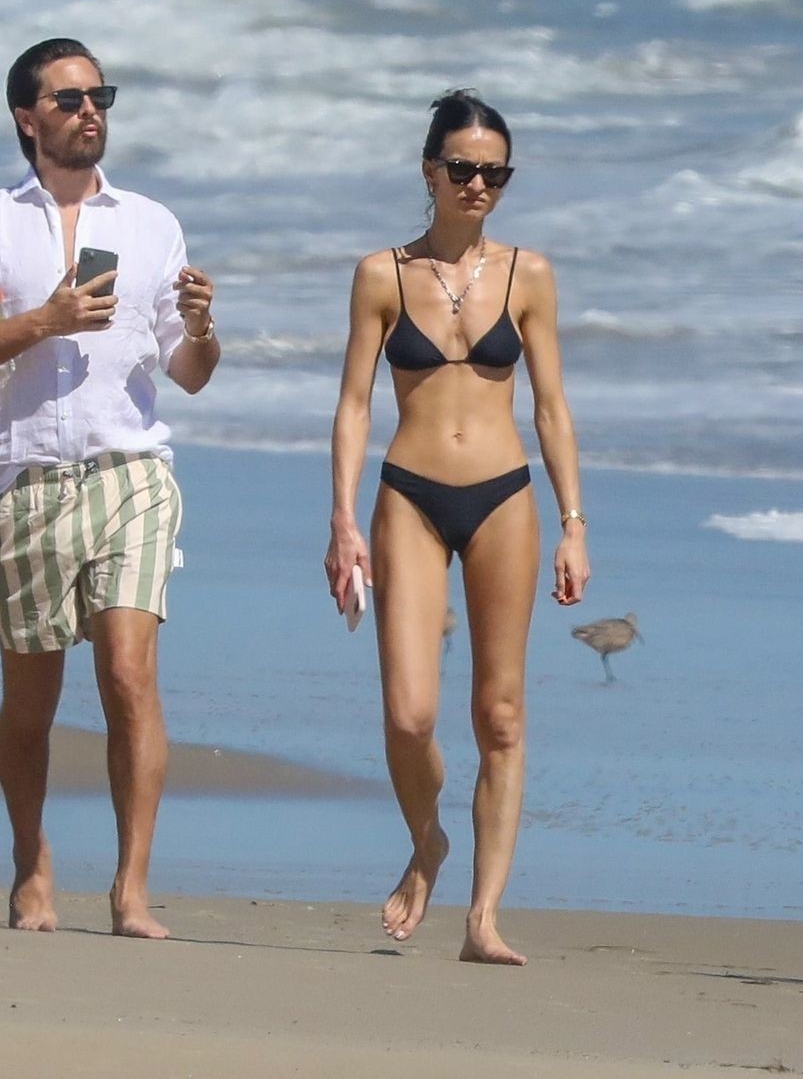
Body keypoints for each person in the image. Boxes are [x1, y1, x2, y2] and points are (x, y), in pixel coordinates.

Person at [0, 38, 220, 939]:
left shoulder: (151, 223)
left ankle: (131, 888)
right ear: (27, 117)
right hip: (22, 481)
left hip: (131, 471)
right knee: (30, 702)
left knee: (128, 673)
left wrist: (203, 327)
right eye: (70, 98)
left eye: (100, 96)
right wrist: (42, 320)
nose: (91, 111)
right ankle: (31, 861)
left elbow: (189, 372)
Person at [325, 90, 590, 966]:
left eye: (496, 173)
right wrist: (342, 517)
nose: (479, 185)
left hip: (504, 498)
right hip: (408, 495)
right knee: (409, 715)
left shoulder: (529, 275)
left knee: (500, 715)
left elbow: (551, 408)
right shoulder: (381, 275)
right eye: (464, 168)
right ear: (430, 170)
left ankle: (483, 918)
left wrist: (573, 523)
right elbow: (355, 405)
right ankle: (428, 839)